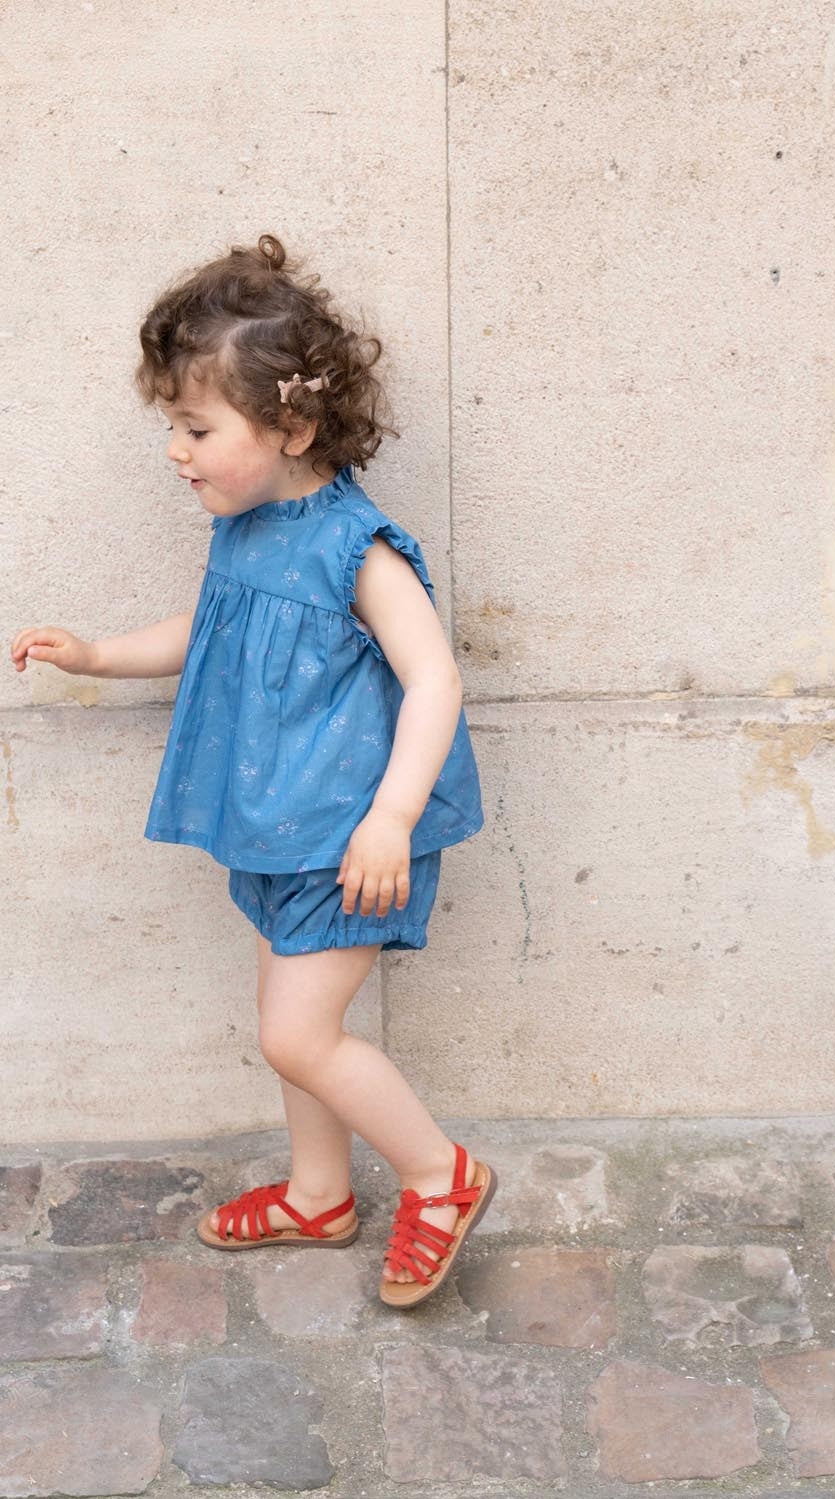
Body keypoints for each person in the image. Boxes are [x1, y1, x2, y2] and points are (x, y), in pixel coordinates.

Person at [9, 232, 497, 1308]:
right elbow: (209, 630)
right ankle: (320, 1195)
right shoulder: (246, 527)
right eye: (172, 427)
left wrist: (392, 814)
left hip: (348, 841)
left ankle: (438, 1171)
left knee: (294, 1030)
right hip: (281, 824)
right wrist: (96, 655)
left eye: (195, 427)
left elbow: (435, 679)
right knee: (298, 1031)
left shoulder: (355, 545)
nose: (176, 451)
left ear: (292, 426)